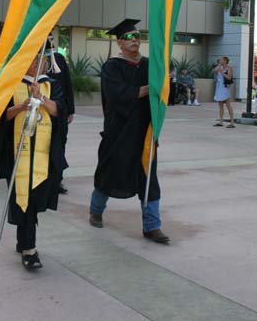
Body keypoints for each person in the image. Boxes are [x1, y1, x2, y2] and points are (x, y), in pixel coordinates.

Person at [89, 18, 170, 244]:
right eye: (128, 37)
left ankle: (152, 226)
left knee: (148, 180)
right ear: (120, 44)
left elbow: (163, 94)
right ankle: (96, 210)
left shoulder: (149, 66)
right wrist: (150, 87)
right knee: (108, 173)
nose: (134, 40)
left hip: (144, 134)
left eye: (137, 36)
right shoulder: (112, 67)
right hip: (119, 133)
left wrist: (163, 83)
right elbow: (119, 95)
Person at [0, 52, 67, 270]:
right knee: (22, 199)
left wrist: (42, 98)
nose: (37, 63)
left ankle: (23, 240)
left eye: (40, 59)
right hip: (16, 154)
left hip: (44, 155)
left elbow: (59, 112)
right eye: (32, 59)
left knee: (33, 200)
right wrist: (21, 106)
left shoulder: (51, 84)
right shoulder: (10, 84)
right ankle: (29, 250)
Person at [45, 37, 74, 195]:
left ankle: (57, 181)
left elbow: (67, 84)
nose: (50, 40)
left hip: (60, 110)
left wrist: (70, 110)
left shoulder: (59, 59)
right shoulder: (33, 59)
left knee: (59, 145)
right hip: (42, 111)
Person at [213, 57, 234, 128]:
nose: (220, 61)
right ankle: (221, 121)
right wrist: (219, 65)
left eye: (221, 60)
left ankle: (232, 122)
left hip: (225, 88)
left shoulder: (229, 68)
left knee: (228, 105)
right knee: (220, 105)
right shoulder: (219, 67)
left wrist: (222, 73)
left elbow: (229, 78)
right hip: (219, 87)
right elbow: (214, 71)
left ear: (225, 61)